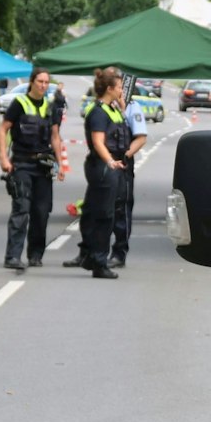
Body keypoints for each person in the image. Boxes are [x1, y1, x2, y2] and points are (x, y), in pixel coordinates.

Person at [0, 66, 67, 272]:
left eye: (46, 82)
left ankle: (36, 255)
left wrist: (59, 164)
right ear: (32, 82)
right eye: (40, 82)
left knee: (41, 212)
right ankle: (13, 256)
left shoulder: (50, 106)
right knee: (22, 209)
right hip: (22, 163)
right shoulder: (19, 103)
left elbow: (55, 136)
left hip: (44, 165)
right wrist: (3, 158)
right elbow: (3, 129)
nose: (43, 86)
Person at [64, 70, 124, 280]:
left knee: (91, 211)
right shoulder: (98, 112)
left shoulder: (113, 109)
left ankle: (89, 254)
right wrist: (109, 161)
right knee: (104, 216)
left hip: (110, 166)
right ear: (109, 89)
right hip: (104, 167)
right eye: (119, 87)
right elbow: (98, 141)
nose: (121, 90)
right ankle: (99, 262)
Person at [111, 79, 150, 267]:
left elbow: (141, 138)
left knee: (121, 209)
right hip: (104, 163)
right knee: (99, 208)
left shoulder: (132, 108)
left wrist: (124, 155)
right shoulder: (103, 108)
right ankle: (94, 251)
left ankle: (119, 252)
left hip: (122, 163)